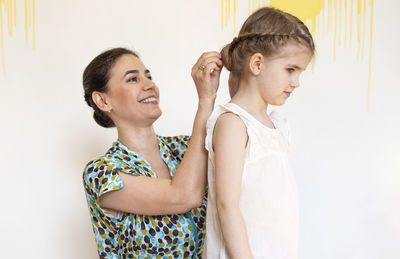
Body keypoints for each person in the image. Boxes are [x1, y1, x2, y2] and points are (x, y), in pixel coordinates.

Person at [82, 47, 222, 258]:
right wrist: (205, 100)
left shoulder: (185, 148)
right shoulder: (102, 173)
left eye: (149, 77)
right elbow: (183, 196)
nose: (150, 85)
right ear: (103, 101)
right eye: (132, 79)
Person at [204, 7, 315, 259]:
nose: (296, 82)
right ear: (257, 64)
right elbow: (227, 205)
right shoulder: (234, 124)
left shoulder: (276, 126)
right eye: (290, 70)